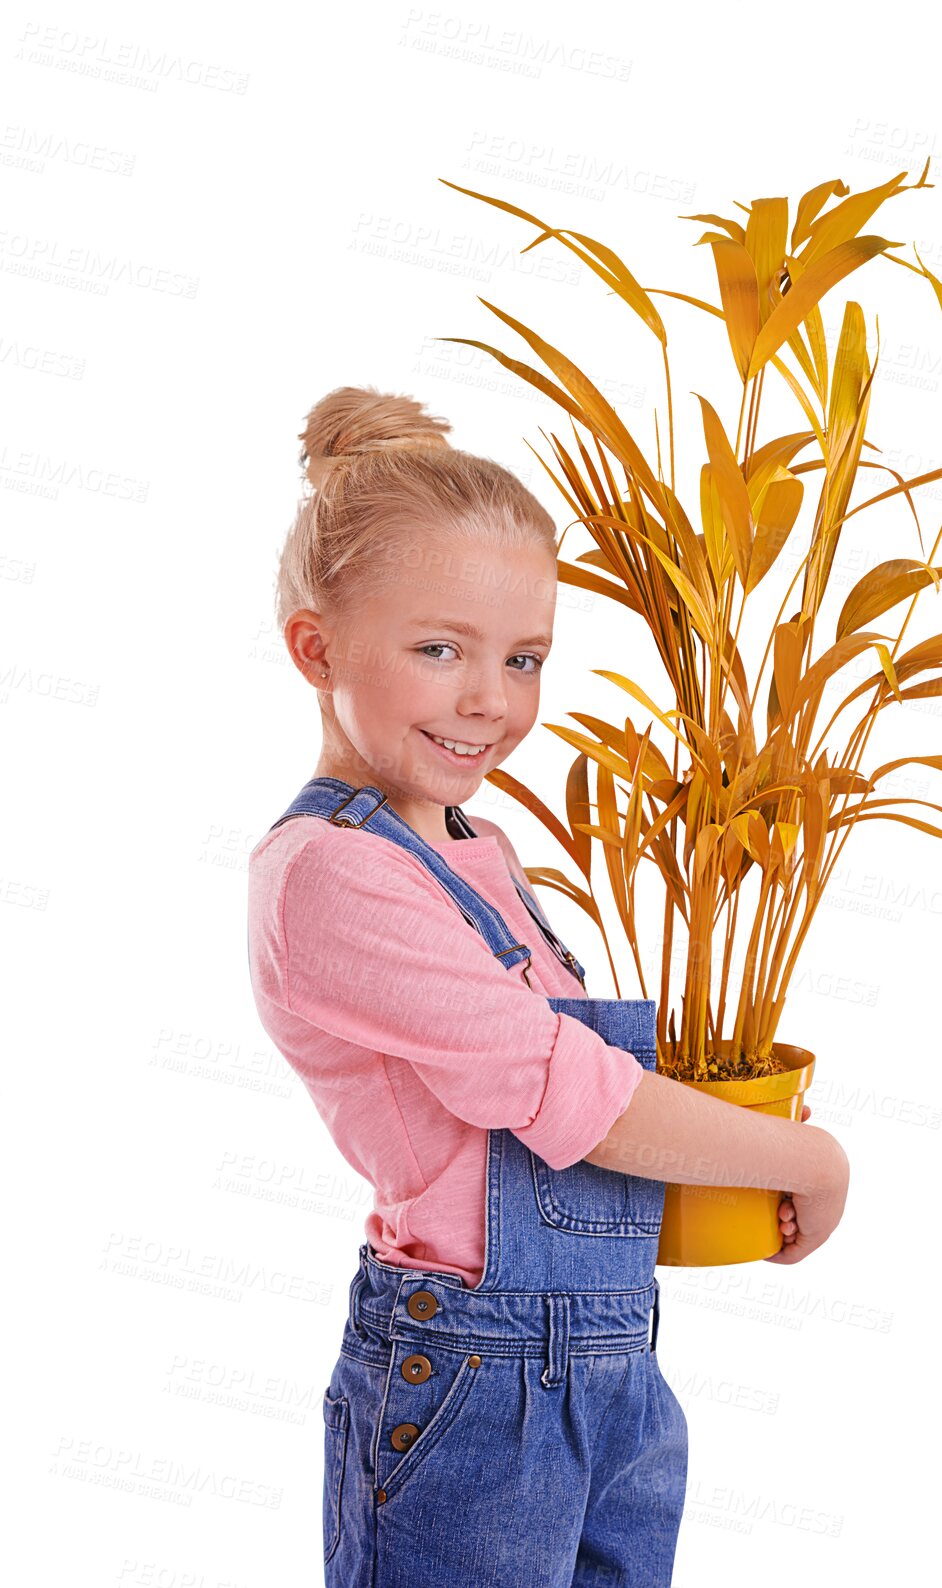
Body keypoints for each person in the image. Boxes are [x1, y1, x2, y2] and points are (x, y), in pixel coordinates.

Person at [246, 385, 851, 1587]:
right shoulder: (329, 878)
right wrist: (800, 1158)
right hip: (473, 1369)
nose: (490, 699)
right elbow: (567, 1089)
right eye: (439, 651)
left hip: (608, 1355)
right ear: (316, 647)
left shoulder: (472, 852)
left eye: (522, 659)